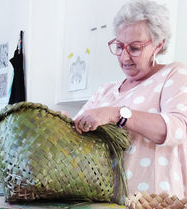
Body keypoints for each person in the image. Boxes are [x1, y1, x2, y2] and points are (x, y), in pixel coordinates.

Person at [72, 0, 187, 198]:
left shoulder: (173, 75)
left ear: (158, 45)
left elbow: (178, 128)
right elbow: (77, 133)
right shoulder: (105, 91)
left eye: (134, 48)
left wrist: (116, 114)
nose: (124, 58)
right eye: (119, 46)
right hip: (101, 206)